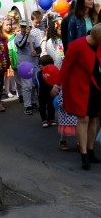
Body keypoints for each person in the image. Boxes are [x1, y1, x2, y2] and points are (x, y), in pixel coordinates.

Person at [59, 23, 101, 170]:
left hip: (97, 88)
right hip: (80, 88)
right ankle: (83, 154)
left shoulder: (99, 45)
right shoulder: (77, 45)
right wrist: (58, 85)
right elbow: (66, 66)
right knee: (83, 119)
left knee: (94, 118)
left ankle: (90, 151)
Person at [15, 20, 41, 115]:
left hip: (34, 64)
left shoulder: (34, 38)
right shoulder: (18, 38)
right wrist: (26, 35)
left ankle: (33, 102)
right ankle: (27, 105)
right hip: (24, 65)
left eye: (26, 27)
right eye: (22, 27)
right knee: (27, 86)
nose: (23, 29)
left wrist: (36, 52)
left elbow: (39, 49)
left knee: (34, 85)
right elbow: (21, 46)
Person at [37, 55, 56, 128]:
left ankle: (51, 118)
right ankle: (44, 119)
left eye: (41, 65)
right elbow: (37, 82)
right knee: (42, 106)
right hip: (41, 93)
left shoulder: (53, 72)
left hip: (51, 92)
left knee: (51, 105)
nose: (39, 66)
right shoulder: (39, 73)